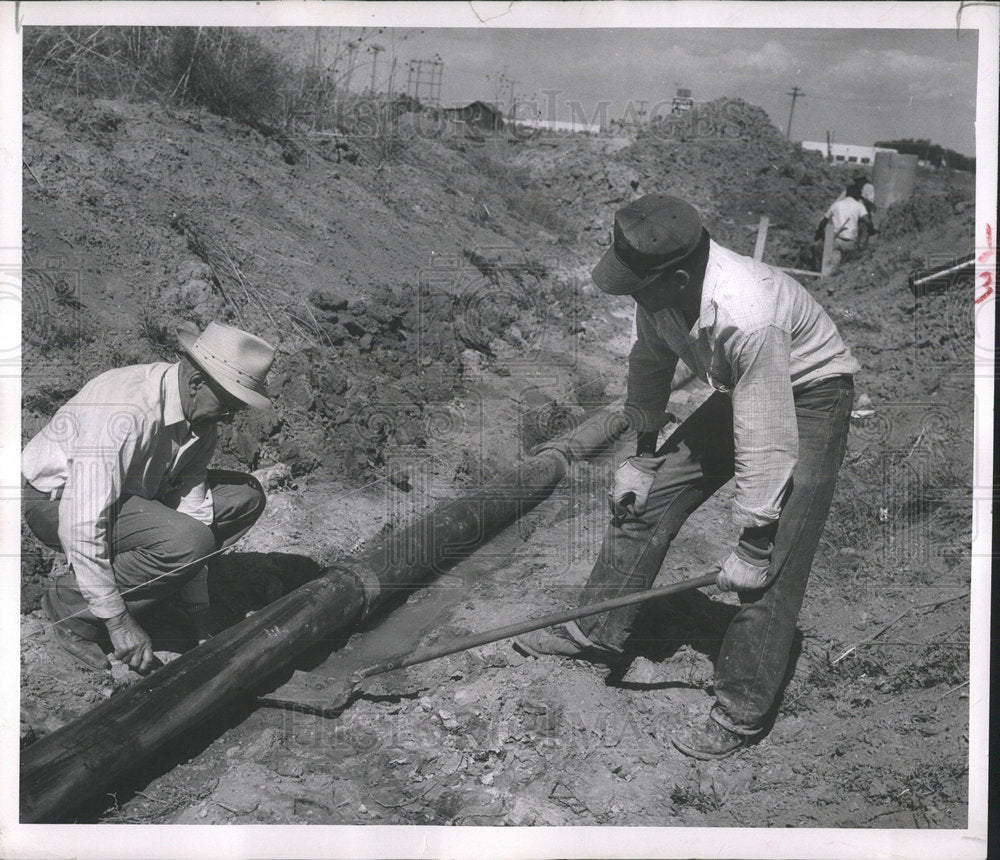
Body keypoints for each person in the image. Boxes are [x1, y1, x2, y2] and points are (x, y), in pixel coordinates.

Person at [514, 194, 859, 760]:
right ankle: (595, 634)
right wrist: (643, 457)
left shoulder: (748, 312)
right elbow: (650, 361)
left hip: (812, 394)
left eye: (637, 288)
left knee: (772, 563)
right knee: (643, 503)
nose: (632, 296)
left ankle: (740, 708)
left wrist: (753, 541)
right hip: (748, 384)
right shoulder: (662, 289)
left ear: (677, 278)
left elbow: (768, 435)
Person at [22, 321, 275, 672]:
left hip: (128, 498)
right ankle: (70, 608)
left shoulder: (200, 420)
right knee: (185, 541)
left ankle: (154, 593)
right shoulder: (126, 412)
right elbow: (81, 520)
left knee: (243, 497)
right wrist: (118, 621)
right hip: (57, 501)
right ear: (196, 383)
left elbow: (194, 511)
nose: (228, 419)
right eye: (227, 407)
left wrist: (199, 612)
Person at [815, 183, 876, 267]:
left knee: (830, 264)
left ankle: (827, 270)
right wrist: (872, 231)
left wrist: (819, 233)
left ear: (847, 194)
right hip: (850, 243)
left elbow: (823, 222)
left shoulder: (836, 205)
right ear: (858, 195)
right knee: (847, 265)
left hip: (836, 241)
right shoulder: (859, 206)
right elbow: (868, 222)